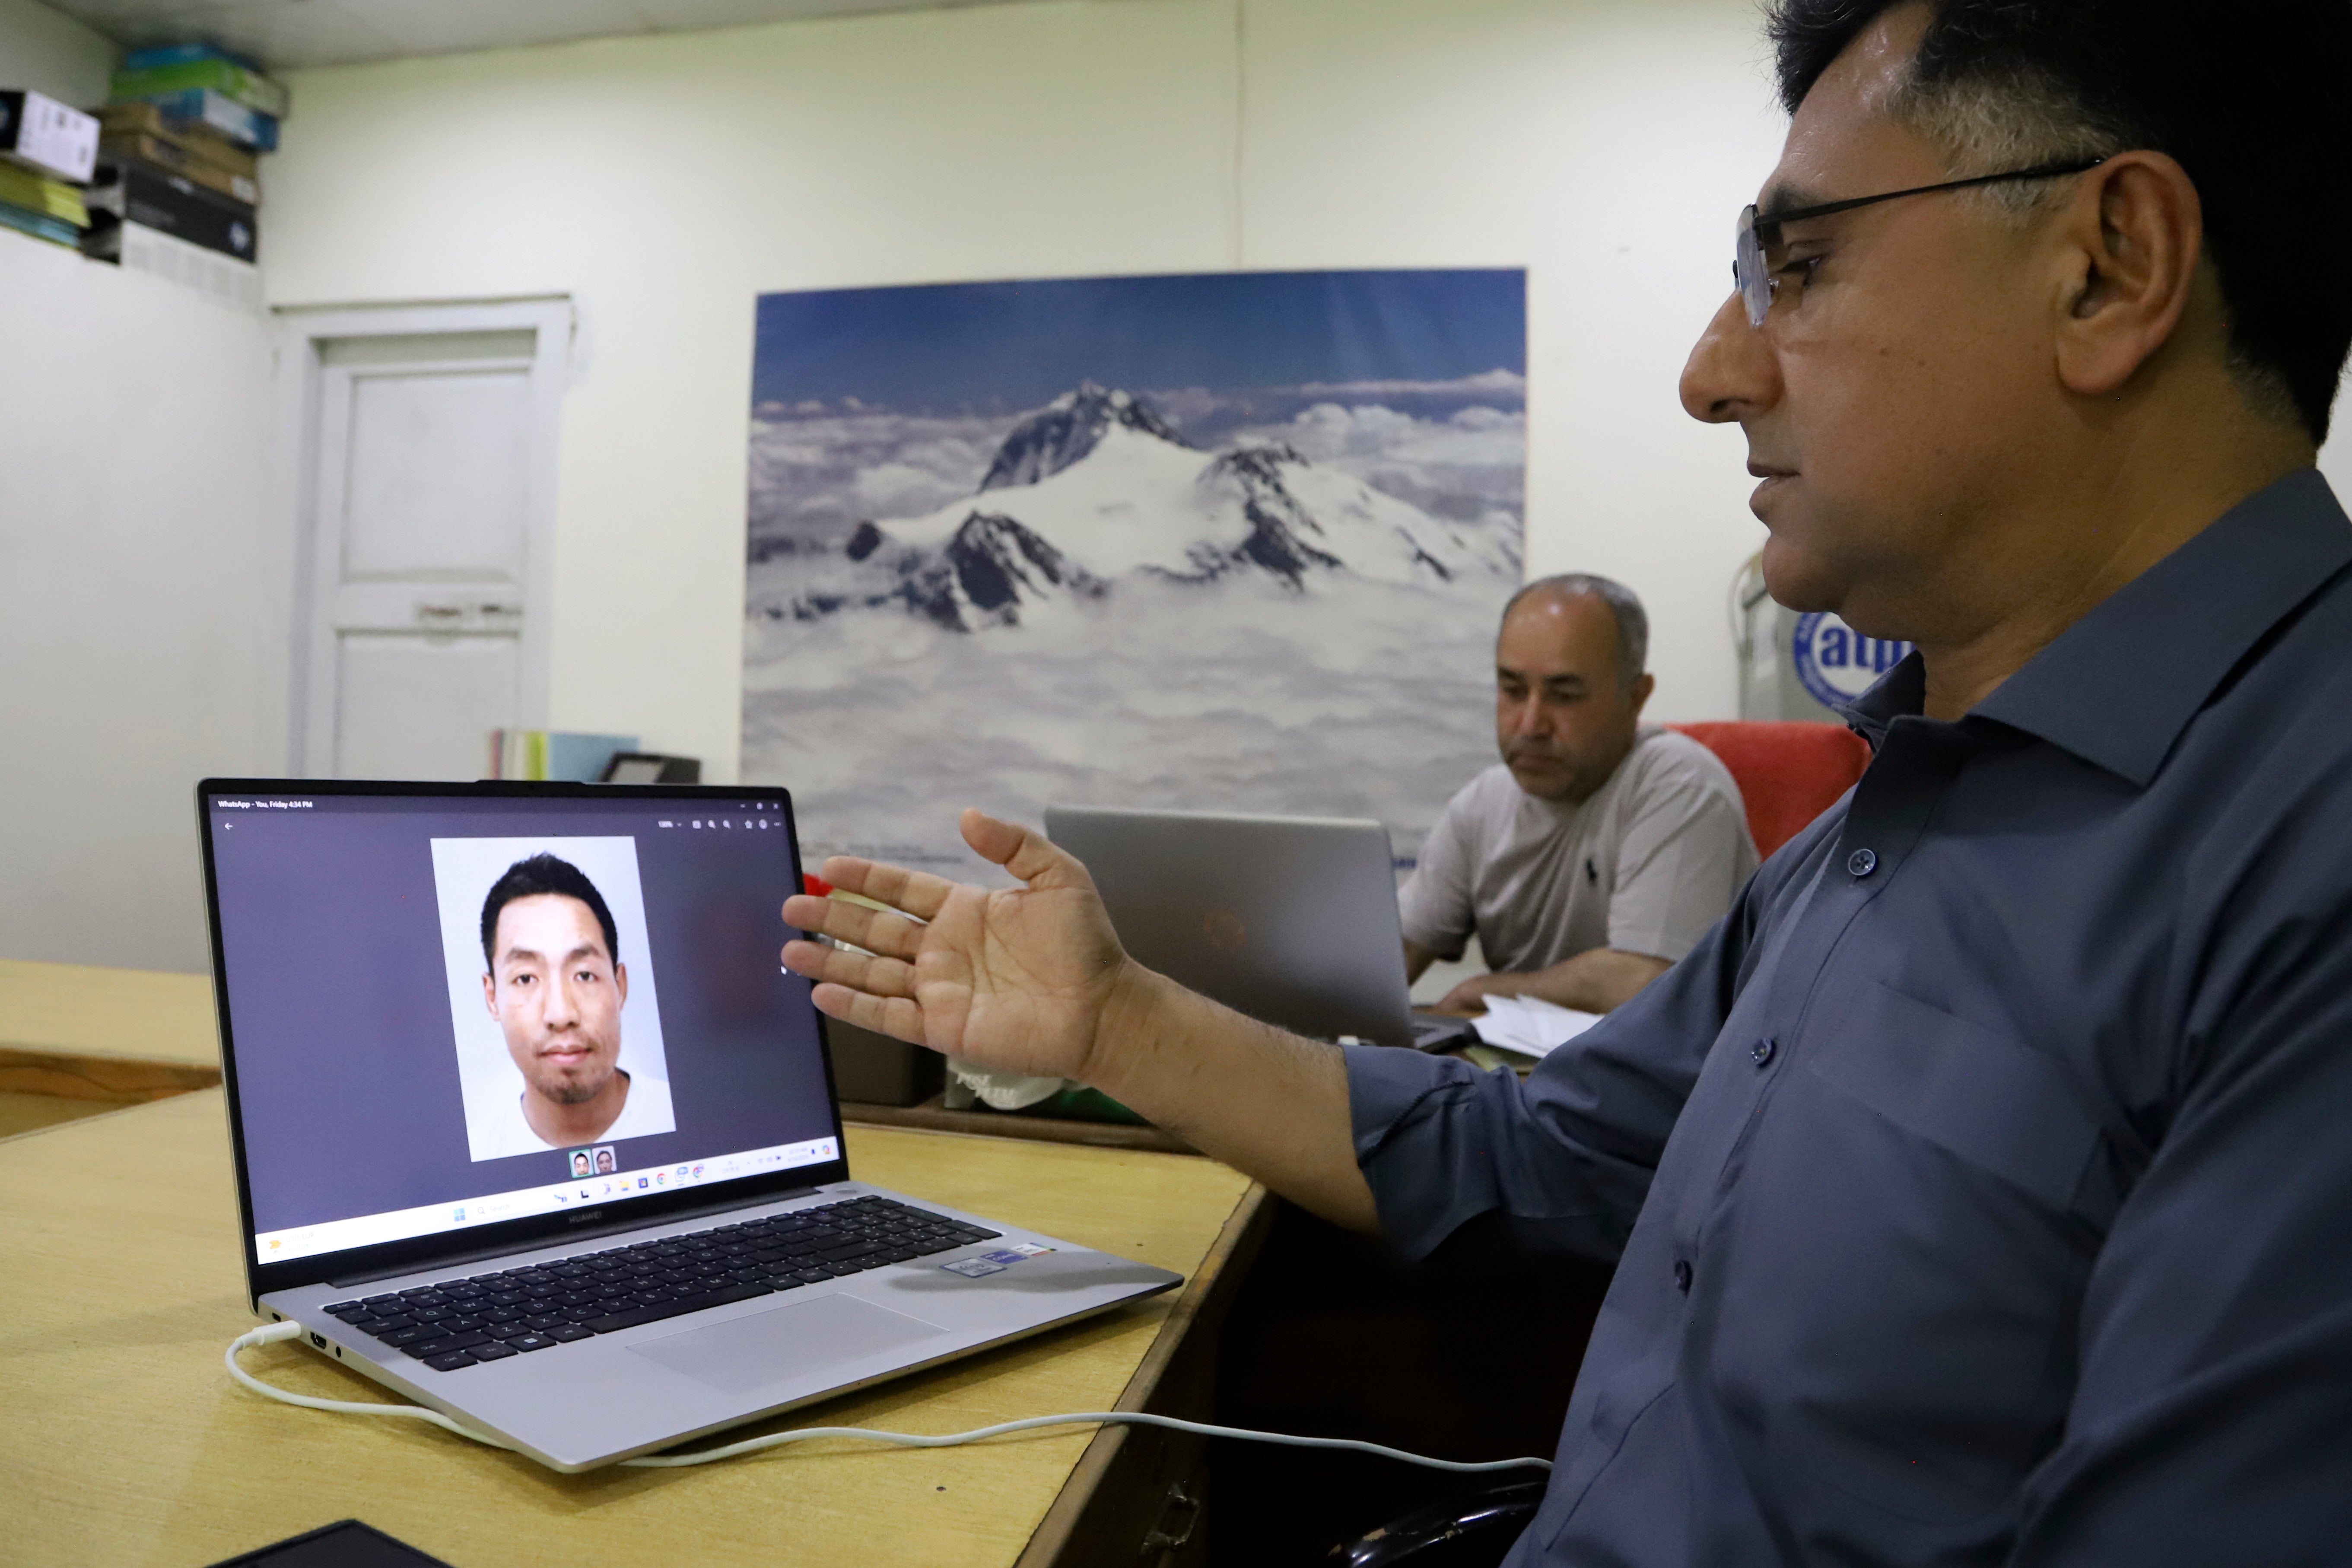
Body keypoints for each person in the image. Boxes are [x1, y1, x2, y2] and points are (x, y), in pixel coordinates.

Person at [780, 0, 2352, 1559]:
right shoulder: (1886, 821)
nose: (1709, 372)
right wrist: (1115, 1021)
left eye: (1796, 265)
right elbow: (1533, 1156)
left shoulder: (2299, 863)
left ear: (2105, 268)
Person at [1402, 574, 1756, 1015]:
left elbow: (1646, 982)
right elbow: (1389, 959)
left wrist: (1483, 991)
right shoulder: (1480, 805)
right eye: (1512, 690)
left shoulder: (1680, 783)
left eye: (1564, 696)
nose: (1531, 724)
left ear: (1636, 697)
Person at [470, 853, 674, 1158]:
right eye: (526, 978)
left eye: (584, 975)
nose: (561, 1014)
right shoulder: (481, 1151)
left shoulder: (689, 1116)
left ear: (620, 986)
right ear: (492, 997)